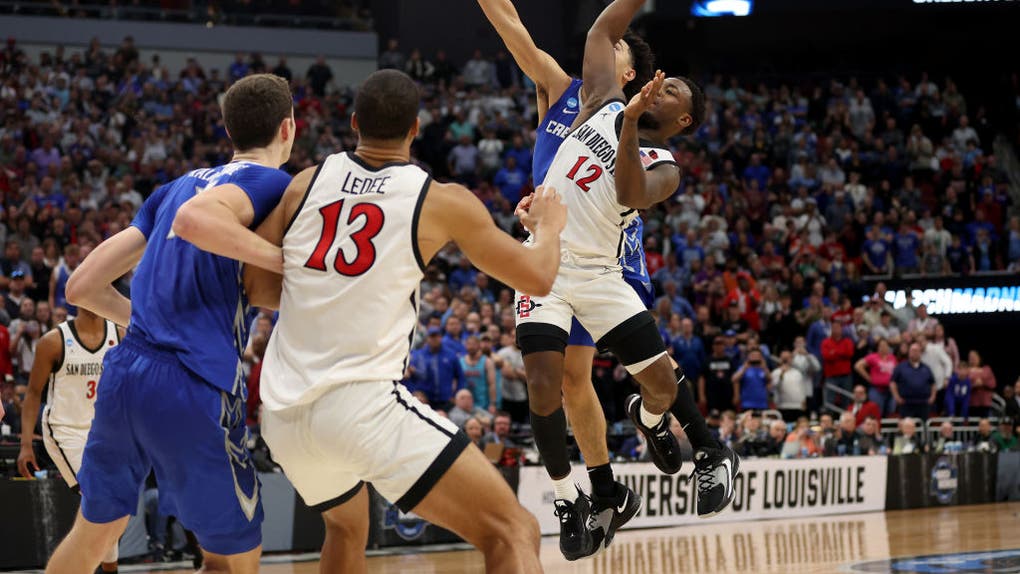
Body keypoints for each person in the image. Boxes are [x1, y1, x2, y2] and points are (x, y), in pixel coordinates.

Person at [247, 70, 559, 573]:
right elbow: (538, 278)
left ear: (353, 123)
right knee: (513, 530)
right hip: (360, 408)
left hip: (283, 416)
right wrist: (549, 227)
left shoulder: (305, 181)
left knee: (347, 528)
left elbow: (259, 288)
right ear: (416, 128)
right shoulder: (440, 199)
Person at [45, 74, 296, 573]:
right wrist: (286, 261)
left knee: (94, 535)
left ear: (229, 132)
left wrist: (147, 321)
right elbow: (198, 225)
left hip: (125, 374)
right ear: (288, 128)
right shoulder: (274, 185)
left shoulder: (174, 187)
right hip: (192, 382)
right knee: (234, 558)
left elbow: (81, 288)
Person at [477, 0, 657, 557]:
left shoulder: (624, 117)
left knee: (606, 380)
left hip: (606, 254)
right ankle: (598, 489)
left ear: (625, 72)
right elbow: (512, 26)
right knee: (562, 379)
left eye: (617, 44)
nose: (601, 44)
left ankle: (640, 434)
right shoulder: (559, 85)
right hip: (553, 253)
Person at [17, 308, 124, 573]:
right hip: (65, 430)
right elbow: (32, 394)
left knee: (110, 506)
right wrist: (26, 445)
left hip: (102, 431)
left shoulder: (119, 334)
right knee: (100, 497)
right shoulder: (53, 341)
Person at [891, 343, 937, 420]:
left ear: (920, 353)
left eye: (917, 351)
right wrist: (896, 397)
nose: (915, 352)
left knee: (922, 427)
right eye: (912, 350)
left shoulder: (926, 368)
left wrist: (932, 397)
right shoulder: (901, 367)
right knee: (907, 427)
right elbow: (893, 383)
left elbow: (933, 384)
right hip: (906, 404)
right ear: (909, 352)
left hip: (923, 404)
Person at [771, 351, 808, 422]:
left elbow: (802, 388)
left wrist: (804, 401)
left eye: (788, 358)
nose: (786, 360)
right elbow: (774, 386)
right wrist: (782, 373)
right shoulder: (776, 372)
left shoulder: (797, 373)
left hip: (797, 406)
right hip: (783, 406)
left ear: (791, 359)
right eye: (784, 358)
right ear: (780, 359)